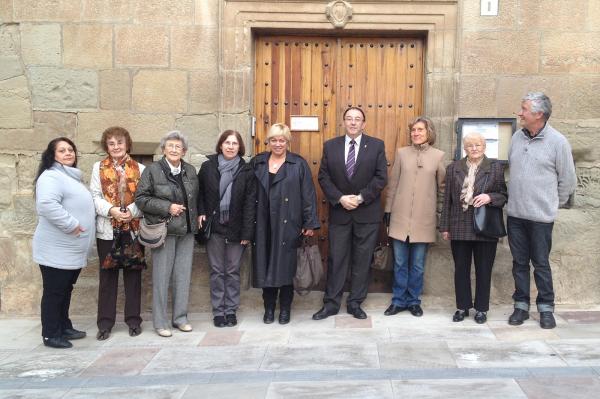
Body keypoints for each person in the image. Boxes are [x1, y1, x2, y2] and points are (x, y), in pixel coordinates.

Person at [507, 92, 576, 329]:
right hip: (515, 215)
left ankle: (546, 308)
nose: (520, 113)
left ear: (538, 114)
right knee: (519, 263)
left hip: (541, 218)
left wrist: (550, 205)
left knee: (541, 263)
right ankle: (521, 306)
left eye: (524, 109)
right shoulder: (517, 137)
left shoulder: (558, 142)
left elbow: (567, 180)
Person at [313, 106, 387, 320]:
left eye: (358, 119)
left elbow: (381, 177)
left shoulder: (376, 146)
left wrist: (361, 197)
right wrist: (340, 198)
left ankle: (355, 303)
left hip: (367, 213)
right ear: (343, 122)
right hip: (340, 213)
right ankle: (331, 304)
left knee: (362, 260)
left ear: (364, 123)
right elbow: (323, 177)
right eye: (349, 119)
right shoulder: (331, 146)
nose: (353, 122)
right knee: (337, 259)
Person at [251, 123, 319, 325]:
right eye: (274, 140)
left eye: (282, 140)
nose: (278, 144)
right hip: (263, 223)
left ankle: (285, 309)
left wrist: (310, 223)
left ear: (288, 142)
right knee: (265, 265)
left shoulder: (298, 164)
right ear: (268, 142)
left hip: (288, 223)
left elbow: (308, 195)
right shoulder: (258, 163)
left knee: (286, 267)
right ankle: (269, 308)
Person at [32, 137, 95, 348]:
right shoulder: (51, 176)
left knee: (65, 288)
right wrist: (72, 225)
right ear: (53, 155)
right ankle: (50, 333)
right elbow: (46, 205)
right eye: (62, 151)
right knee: (54, 291)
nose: (68, 153)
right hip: (55, 248)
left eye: (70, 150)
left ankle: (63, 326)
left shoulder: (70, 177)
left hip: (71, 248)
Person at [135, 131, 199, 337]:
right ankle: (161, 323)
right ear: (163, 149)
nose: (173, 149)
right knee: (162, 277)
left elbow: (196, 198)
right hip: (165, 230)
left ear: (184, 151)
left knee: (182, 276)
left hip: (186, 231)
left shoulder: (190, 170)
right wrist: (167, 207)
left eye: (178, 147)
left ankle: (180, 318)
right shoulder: (152, 170)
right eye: (170, 146)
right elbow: (141, 198)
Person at [439, 132, 507, 324]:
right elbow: (448, 202)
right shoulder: (453, 168)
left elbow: (503, 195)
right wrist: (445, 227)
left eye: (478, 145)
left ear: (484, 147)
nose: (474, 148)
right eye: (470, 146)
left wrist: (489, 197)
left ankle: (481, 309)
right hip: (459, 226)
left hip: (484, 227)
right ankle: (462, 307)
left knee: (483, 269)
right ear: (465, 148)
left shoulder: (495, 167)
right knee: (461, 269)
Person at [383, 117, 445, 318]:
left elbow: (442, 190)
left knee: (417, 265)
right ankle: (398, 300)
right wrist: (388, 211)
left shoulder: (438, 156)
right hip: (400, 218)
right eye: (413, 130)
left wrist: (439, 215)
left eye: (420, 130)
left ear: (429, 132)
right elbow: (393, 185)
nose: (416, 133)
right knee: (400, 262)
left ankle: (414, 301)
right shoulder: (402, 153)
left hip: (424, 220)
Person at [90, 127, 146, 341]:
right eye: (111, 143)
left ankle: (133, 321)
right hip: (107, 229)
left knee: (133, 275)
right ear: (107, 146)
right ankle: (105, 324)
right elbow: (94, 196)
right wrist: (111, 210)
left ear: (127, 144)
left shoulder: (140, 168)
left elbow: (143, 197)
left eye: (120, 143)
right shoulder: (98, 168)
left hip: (132, 230)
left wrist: (130, 212)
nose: (116, 147)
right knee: (107, 277)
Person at [198, 130, 256, 328]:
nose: (231, 146)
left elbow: (250, 204)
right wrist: (201, 213)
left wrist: (247, 233)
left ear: (240, 147)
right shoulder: (207, 167)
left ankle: (231, 310)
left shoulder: (247, 171)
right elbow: (200, 195)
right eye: (227, 142)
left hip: (237, 229)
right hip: (214, 228)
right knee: (216, 270)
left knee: (232, 271)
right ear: (220, 145)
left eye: (235, 143)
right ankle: (218, 312)